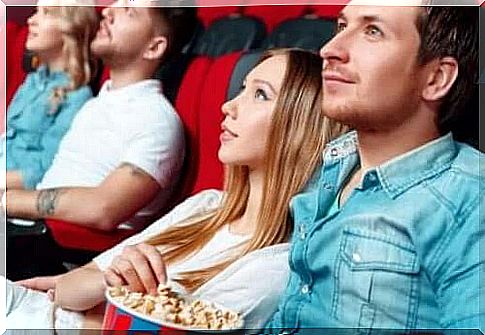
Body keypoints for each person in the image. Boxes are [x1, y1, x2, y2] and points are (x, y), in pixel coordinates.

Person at [5, 48, 348, 331]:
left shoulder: (275, 264)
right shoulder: (206, 206)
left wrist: (97, 296)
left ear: (299, 129)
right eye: (242, 89)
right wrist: (104, 286)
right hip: (32, 311)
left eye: (260, 94)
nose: (229, 106)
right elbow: (71, 287)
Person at [267, 0, 483, 332]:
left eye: (372, 31)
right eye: (342, 27)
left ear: (436, 78)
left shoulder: (471, 199)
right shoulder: (332, 166)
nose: (329, 50)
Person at [3, 0, 197, 233]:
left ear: (154, 47)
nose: (107, 11)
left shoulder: (157, 120)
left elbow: (103, 209)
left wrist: (7, 200)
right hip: (27, 229)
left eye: (129, 11)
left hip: (61, 251)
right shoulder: (96, 104)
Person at [2, 0, 98, 190]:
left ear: (70, 29)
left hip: (14, 198)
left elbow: (44, 171)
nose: (31, 20)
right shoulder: (33, 81)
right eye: (35, 11)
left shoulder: (77, 97)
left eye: (46, 13)